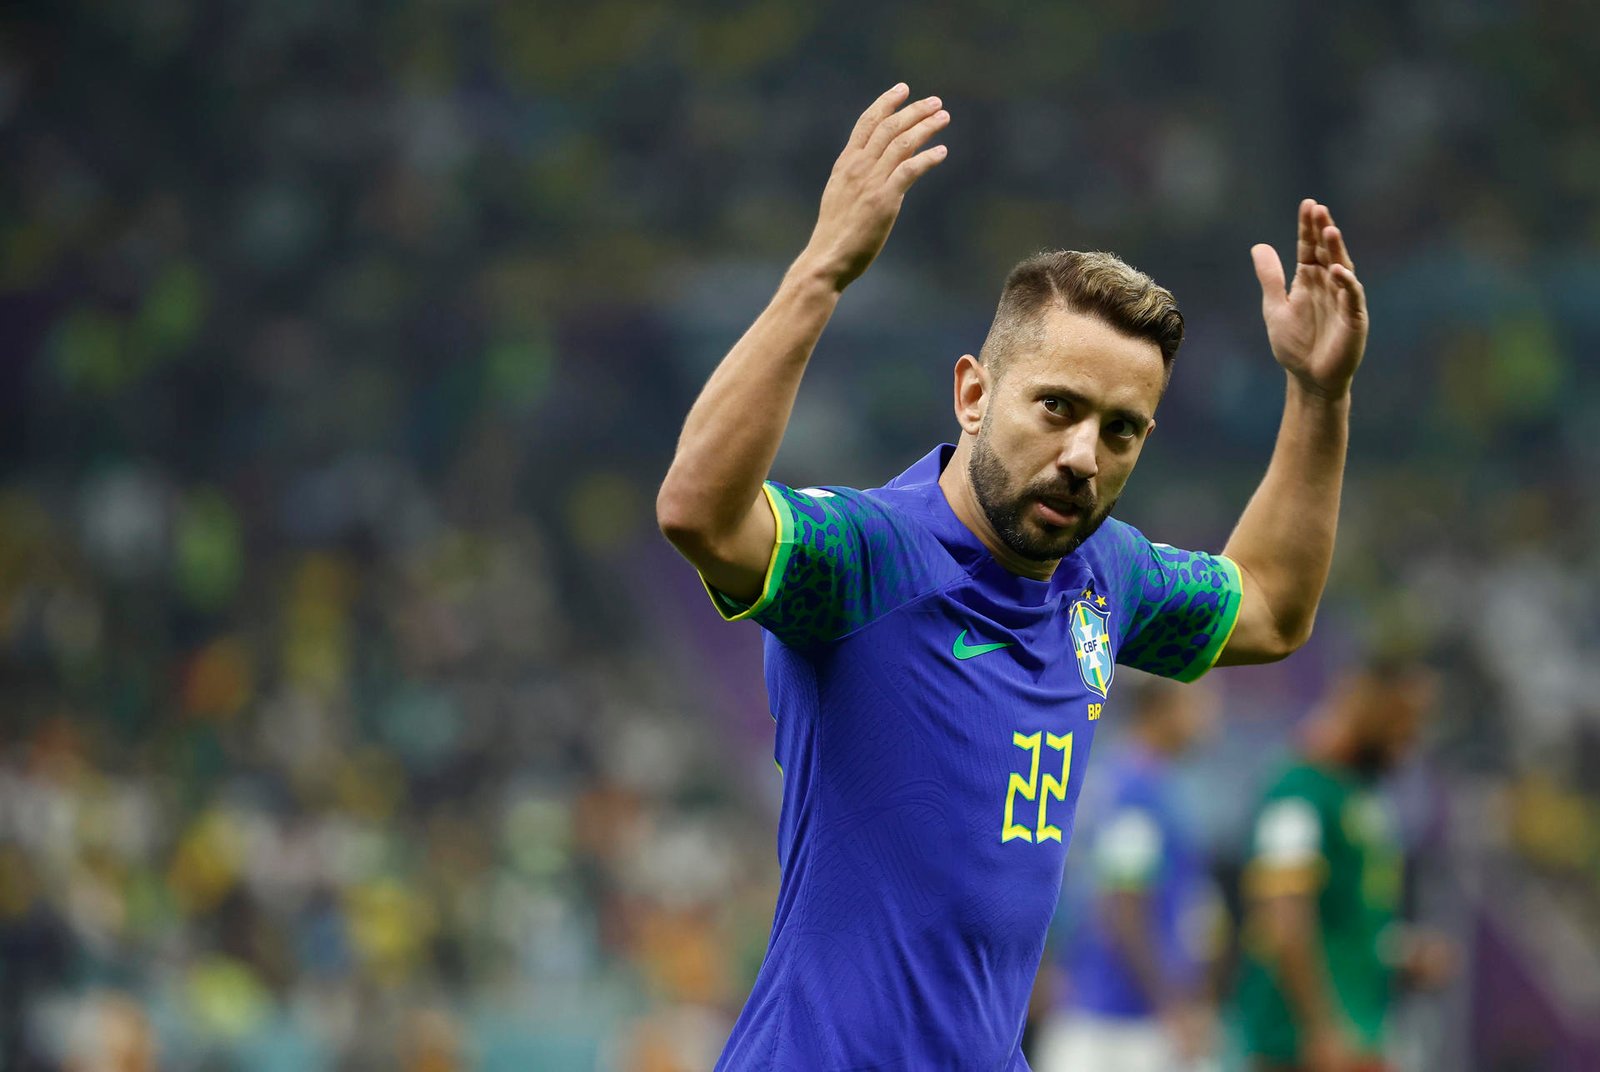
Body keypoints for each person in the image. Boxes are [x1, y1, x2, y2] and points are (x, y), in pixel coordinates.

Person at [655, 82, 1370, 1071]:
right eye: (1057, 407)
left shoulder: (1104, 574)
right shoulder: (865, 557)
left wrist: (1318, 396)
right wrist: (822, 271)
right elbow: (696, 510)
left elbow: (1273, 608)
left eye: (1121, 430)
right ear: (973, 393)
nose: (1083, 456)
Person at [1231, 663, 1455, 1072]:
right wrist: (1321, 1031)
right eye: (1403, 723)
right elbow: (1286, 919)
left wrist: (1402, 953)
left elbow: (1348, 922)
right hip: (1299, 1047)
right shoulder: (1297, 794)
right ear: (1366, 708)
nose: (1410, 741)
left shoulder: (1362, 794)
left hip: (1362, 1036)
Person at [1033, 675, 1223, 1072]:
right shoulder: (1138, 788)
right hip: (1118, 1027)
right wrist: (1171, 1004)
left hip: (1103, 1013)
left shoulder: (1124, 777)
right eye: (1196, 705)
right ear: (1160, 710)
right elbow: (1124, 904)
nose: (1208, 718)